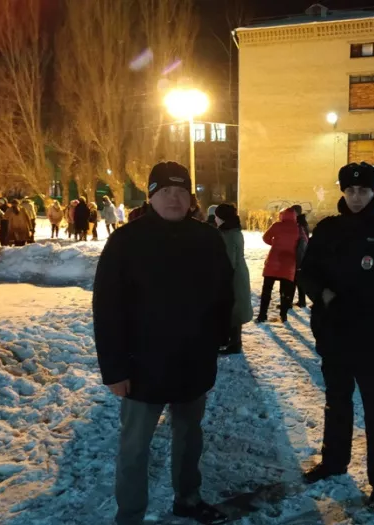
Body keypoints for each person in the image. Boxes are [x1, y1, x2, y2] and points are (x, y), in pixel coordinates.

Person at [93, 162, 234, 525]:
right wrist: (115, 370)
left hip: (193, 362)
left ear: (191, 198)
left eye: (182, 191)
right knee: (135, 447)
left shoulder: (207, 238)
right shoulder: (126, 241)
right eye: (166, 191)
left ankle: (188, 498)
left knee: (189, 438)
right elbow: (107, 309)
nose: (174, 198)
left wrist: (218, 339)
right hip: (142, 367)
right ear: (151, 196)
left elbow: (224, 293)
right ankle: (130, 515)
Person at [298, 162, 374, 513]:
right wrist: (323, 294)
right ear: (343, 191)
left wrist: (370, 295)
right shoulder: (327, 229)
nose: (355, 197)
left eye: (363, 191)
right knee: (337, 401)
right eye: (350, 190)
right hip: (334, 331)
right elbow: (306, 272)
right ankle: (334, 460)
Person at [214, 204, 252, 355]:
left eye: (217, 216)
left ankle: (234, 343)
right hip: (238, 273)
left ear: (221, 218)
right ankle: (232, 341)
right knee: (235, 307)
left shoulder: (228, 235)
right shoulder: (234, 231)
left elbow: (228, 261)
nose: (215, 219)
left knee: (234, 308)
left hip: (233, 276)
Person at [256, 207, 300, 323]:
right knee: (285, 291)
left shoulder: (277, 226)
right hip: (288, 264)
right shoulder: (298, 228)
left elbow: (265, 237)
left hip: (273, 262)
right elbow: (303, 243)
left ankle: (262, 315)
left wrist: (274, 243)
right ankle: (283, 315)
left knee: (267, 290)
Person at [291, 204, 310, 308]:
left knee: (295, 278)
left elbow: (303, 239)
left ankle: (297, 301)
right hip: (302, 252)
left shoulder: (299, 223)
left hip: (299, 253)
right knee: (297, 278)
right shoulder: (302, 222)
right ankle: (301, 301)